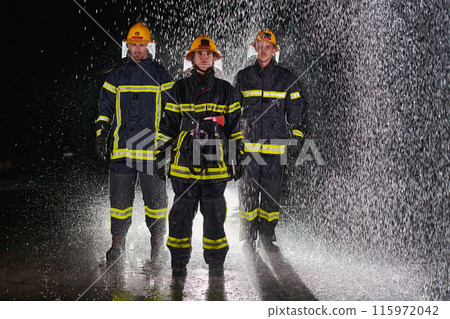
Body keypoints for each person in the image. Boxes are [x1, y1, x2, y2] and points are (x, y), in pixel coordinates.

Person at [156, 34, 244, 277]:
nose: (204, 58)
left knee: (215, 214)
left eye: (208, 54)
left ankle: (216, 262)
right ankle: (179, 261)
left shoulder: (227, 90)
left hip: (215, 163)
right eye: (199, 54)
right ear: (192, 58)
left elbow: (235, 128)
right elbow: (168, 126)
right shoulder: (179, 88)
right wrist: (160, 154)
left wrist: (237, 156)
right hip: (184, 162)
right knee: (181, 213)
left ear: (215, 58)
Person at [95, 22, 174, 262]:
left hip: (153, 152)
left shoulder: (161, 75)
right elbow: (104, 109)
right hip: (123, 151)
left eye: (141, 45)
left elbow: (172, 113)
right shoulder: (116, 75)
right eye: (133, 45)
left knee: (157, 205)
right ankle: (117, 246)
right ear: (127, 46)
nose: (137, 49)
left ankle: (157, 248)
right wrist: (101, 134)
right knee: (119, 204)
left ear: (148, 45)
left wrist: (166, 145)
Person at [234, 29, 304, 251]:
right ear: (255, 48)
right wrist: (233, 139)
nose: (263, 50)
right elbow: (233, 111)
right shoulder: (243, 76)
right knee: (248, 191)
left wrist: (297, 135)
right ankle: (248, 234)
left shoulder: (286, 78)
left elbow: (295, 109)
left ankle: (267, 233)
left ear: (274, 50)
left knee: (272, 193)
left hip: (275, 146)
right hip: (249, 146)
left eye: (268, 46)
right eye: (260, 46)